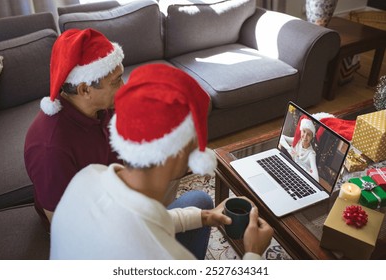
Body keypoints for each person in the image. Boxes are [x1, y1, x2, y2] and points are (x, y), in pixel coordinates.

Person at [50, 64, 273, 260]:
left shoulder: (88, 175)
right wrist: (253, 252)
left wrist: (204, 217)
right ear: (177, 151)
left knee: (200, 201)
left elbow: (144, 220)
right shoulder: (165, 258)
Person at [24, 28, 125, 231]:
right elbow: (65, 226)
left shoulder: (104, 109)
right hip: (88, 225)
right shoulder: (51, 148)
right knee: (197, 203)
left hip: (117, 195)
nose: (124, 86)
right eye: (116, 82)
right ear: (84, 90)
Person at [279, 117, 319, 181]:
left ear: (312, 137)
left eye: (308, 134)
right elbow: (281, 138)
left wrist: (296, 159)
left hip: (300, 178)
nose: (305, 136)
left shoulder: (311, 154)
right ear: (301, 130)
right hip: (290, 170)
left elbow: (316, 179)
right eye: (304, 131)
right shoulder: (298, 141)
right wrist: (290, 149)